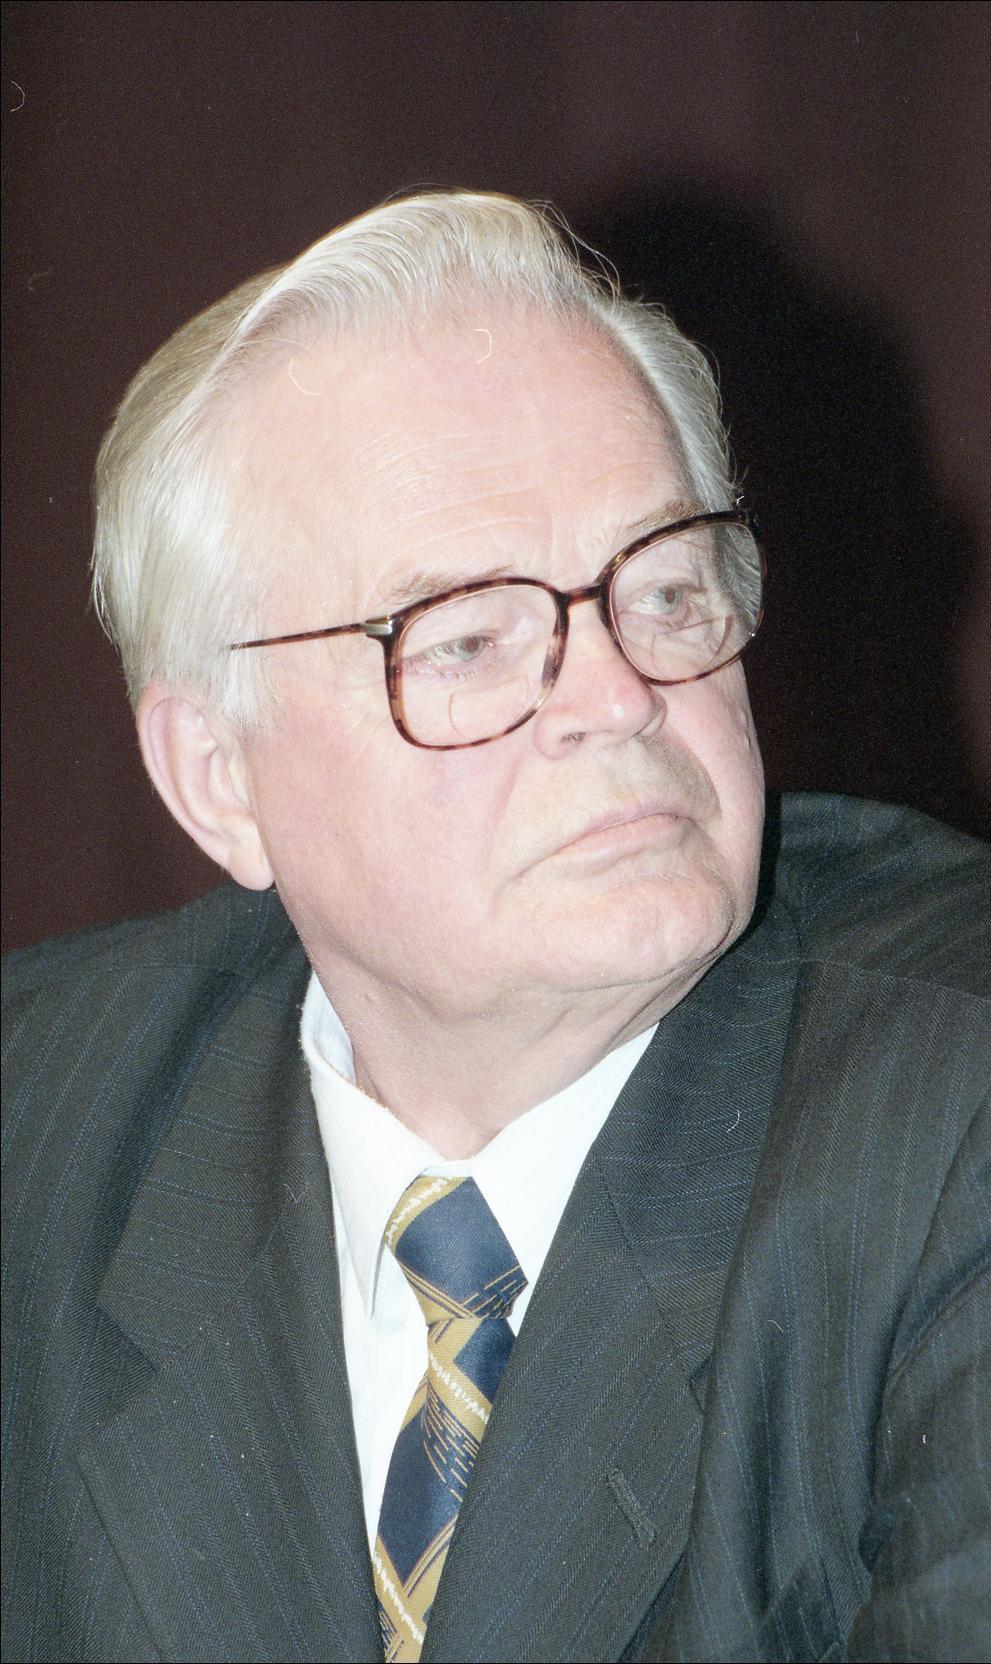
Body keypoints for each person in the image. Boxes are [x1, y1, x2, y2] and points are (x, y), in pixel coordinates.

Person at [2, 190, 988, 1664]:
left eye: (665, 592)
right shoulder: (37, 1123)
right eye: (466, 639)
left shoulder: (954, 1107)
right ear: (219, 778)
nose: (618, 697)